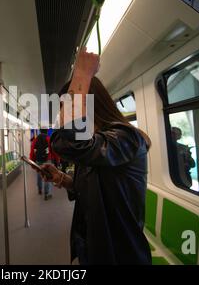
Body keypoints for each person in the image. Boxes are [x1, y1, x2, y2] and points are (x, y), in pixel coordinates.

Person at [36, 49, 152, 265]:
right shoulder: (96, 143)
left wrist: (81, 74)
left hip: (119, 253)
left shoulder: (125, 138)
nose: (62, 119)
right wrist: (62, 178)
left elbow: (67, 141)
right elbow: (92, 187)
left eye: (66, 110)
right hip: (94, 241)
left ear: (89, 107)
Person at [29, 129, 59, 200]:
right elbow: (54, 151)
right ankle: (47, 194)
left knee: (39, 175)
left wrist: (32, 162)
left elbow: (32, 151)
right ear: (47, 131)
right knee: (47, 176)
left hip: (38, 160)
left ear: (40, 131)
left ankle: (40, 190)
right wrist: (57, 160)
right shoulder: (49, 139)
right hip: (47, 160)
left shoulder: (35, 140)